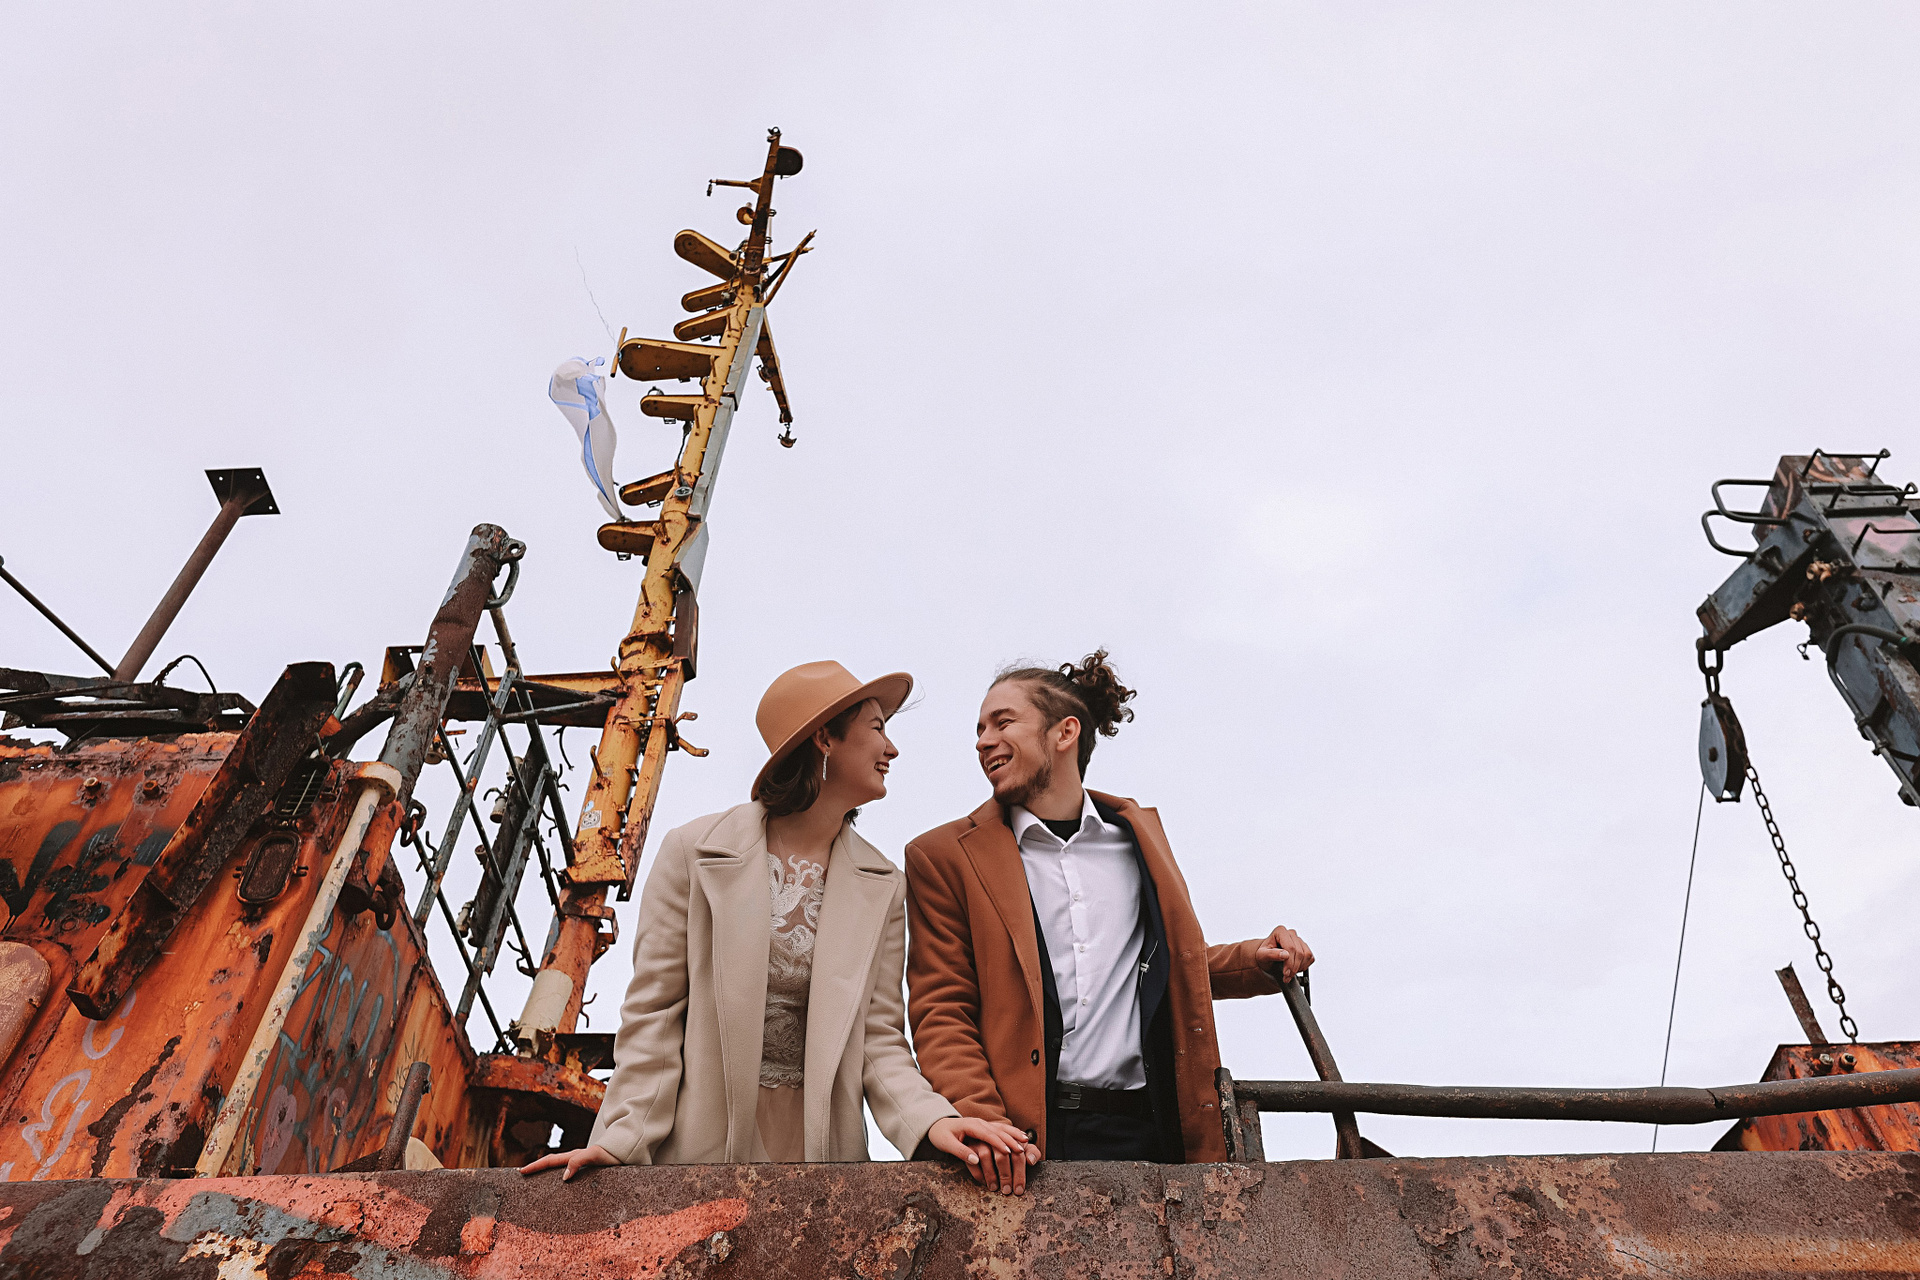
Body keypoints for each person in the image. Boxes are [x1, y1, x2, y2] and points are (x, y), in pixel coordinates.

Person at [522, 660, 1030, 1179]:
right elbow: (655, 1014)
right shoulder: (692, 854)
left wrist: (932, 1121)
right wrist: (618, 1140)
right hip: (698, 1161)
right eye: (878, 728)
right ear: (825, 739)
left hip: (827, 1168)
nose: (891, 749)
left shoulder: (884, 884)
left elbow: (879, 1041)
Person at [904, 650, 1313, 1192]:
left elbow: (1164, 962)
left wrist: (1254, 959)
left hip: (1153, 1133)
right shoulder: (943, 857)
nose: (983, 741)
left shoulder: (1138, 839)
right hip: (1026, 1141)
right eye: (979, 729)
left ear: (1065, 732)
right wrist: (983, 1121)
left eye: (1002, 722)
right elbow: (942, 1007)